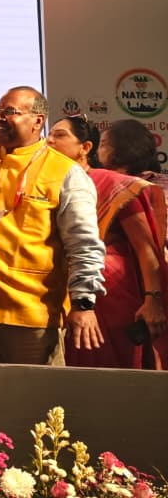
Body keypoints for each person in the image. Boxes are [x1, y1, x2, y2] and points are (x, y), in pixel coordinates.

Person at [0, 88, 105, 368]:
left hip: (34, 317)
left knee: (34, 395)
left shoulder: (65, 172)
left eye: (10, 112)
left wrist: (83, 303)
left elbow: (84, 245)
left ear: (38, 121)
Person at [49, 117, 167, 369]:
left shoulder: (114, 185)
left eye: (59, 135)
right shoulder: (47, 180)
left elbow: (145, 248)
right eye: (48, 135)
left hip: (112, 296)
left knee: (114, 378)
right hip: (65, 295)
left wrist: (153, 300)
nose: (49, 141)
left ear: (85, 148)